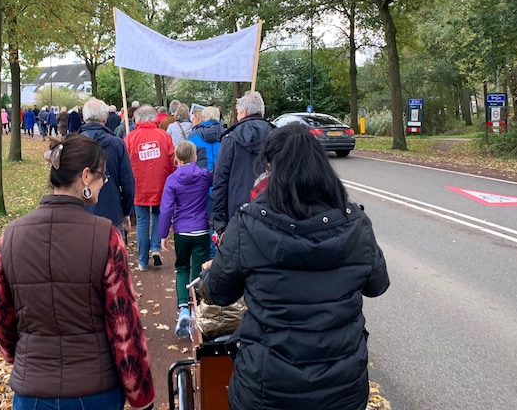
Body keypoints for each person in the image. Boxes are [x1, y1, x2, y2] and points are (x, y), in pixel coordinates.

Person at [200, 123, 390, 410]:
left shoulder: (249, 224)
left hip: (267, 387)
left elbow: (218, 292)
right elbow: (377, 285)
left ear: (271, 167)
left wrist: (208, 274)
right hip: (342, 389)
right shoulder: (355, 222)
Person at [0, 134, 156, 410]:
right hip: (94, 391)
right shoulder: (106, 237)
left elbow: (1, 317)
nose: (105, 183)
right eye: (103, 176)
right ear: (86, 176)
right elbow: (123, 326)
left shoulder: (11, 236)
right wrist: (140, 394)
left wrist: (20, 359)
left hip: (32, 391)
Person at [159, 140, 213, 338]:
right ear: (195, 157)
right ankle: (197, 310)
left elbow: (166, 209)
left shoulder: (172, 180)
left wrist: (163, 235)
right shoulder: (205, 176)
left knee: (182, 267)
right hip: (201, 229)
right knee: (199, 271)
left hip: (182, 231)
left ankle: (182, 308)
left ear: (177, 159)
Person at [211, 90, 274, 235]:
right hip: (272, 209)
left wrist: (219, 219)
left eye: (238, 112)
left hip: (238, 210)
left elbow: (220, 179)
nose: (237, 116)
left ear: (244, 112)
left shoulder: (231, 139)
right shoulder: (278, 136)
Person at [124, 105, 175, 271]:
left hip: (139, 186)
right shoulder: (164, 136)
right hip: (162, 184)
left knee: (142, 221)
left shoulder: (130, 138)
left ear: (137, 118)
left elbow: (124, 164)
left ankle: (142, 261)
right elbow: (172, 160)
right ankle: (155, 247)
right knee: (158, 215)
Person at [79, 98, 136, 242]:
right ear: (104, 118)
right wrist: (125, 212)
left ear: (84, 118)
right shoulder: (117, 144)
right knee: (115, 260)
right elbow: (128, 183)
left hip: (81, 213)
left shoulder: (72, 144)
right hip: (111, 211)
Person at [187, 106, 226, 258]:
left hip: (200, 186)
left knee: (203, 222)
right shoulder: (227, 135)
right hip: (221, 184)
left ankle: (206, 255)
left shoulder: (193, 137)